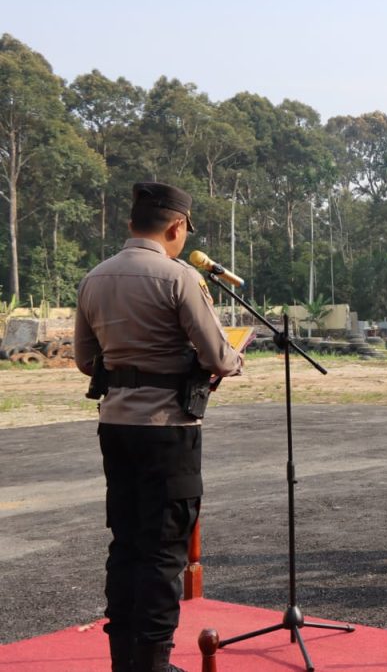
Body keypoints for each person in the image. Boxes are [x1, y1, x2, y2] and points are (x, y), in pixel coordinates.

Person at [74, 182, 244, 672]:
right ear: (176, 227)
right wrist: (234, 359)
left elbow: (88, 362)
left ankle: (124, 660)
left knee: (126, 543)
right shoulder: (179, 278)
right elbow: (216, 356)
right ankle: (153, 664)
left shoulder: (94, 278)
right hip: (167, 429)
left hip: (116, 426)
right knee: (164, 553)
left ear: (133, 223)